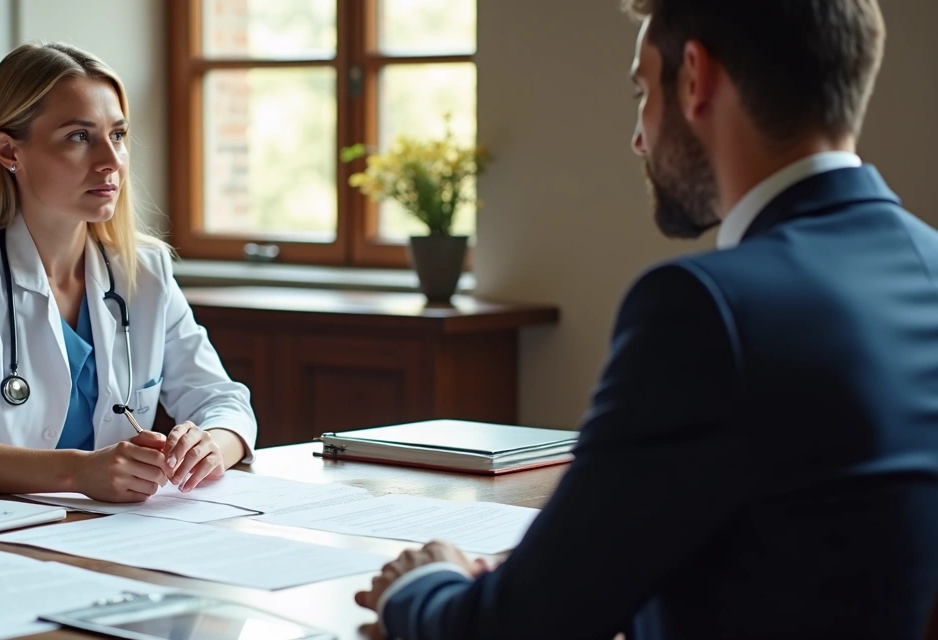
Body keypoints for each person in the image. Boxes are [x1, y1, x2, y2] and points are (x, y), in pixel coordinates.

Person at [355, 1, 938, 638]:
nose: (638, 136)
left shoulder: (706, 308)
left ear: (695, 78)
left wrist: (421, 584)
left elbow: (514, 629)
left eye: (642, 90)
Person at [0, 42, 257, 503]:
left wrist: (209, 447)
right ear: (8, 151)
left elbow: (225, 403)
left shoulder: (144, 268)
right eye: (79, 137)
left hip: (110, 535)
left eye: (118, 135)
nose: (110, 161)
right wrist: (78, 472)